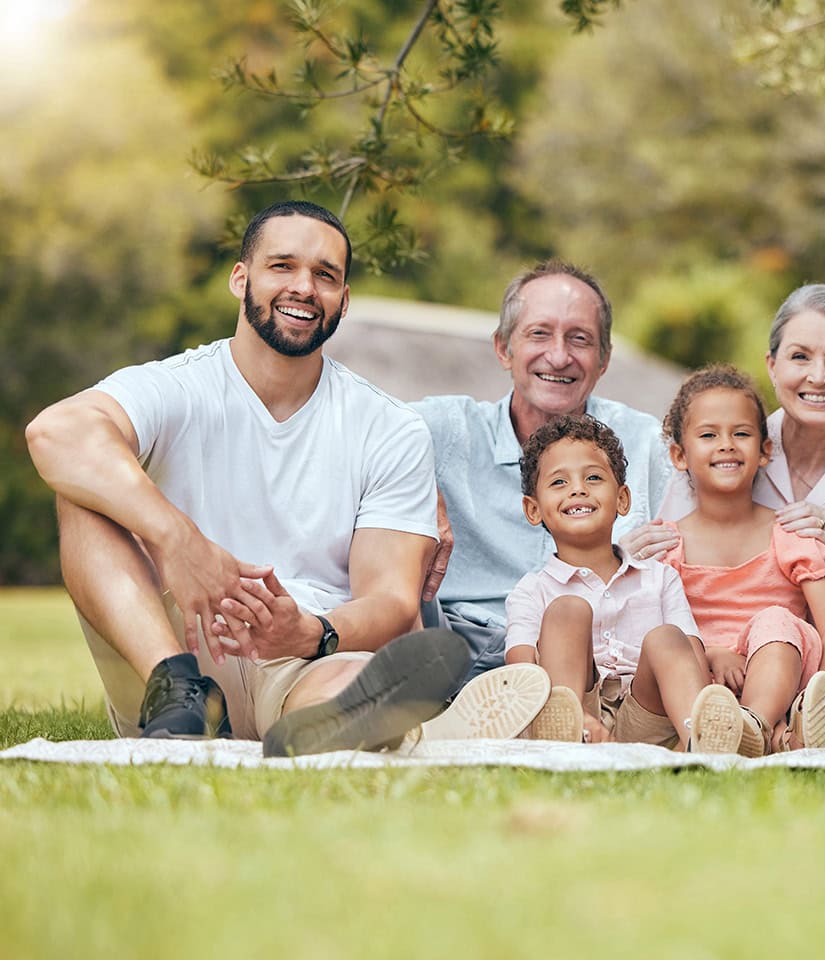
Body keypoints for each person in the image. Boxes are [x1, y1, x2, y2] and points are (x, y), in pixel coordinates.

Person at [24, 200, 548, 757]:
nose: (304, 287)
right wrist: (179, 540)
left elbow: (392, 600)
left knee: (347, 683)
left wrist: (312, 631)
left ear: (343, 301)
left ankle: (360, 719)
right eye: (283, 266)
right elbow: (55, 433)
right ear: (240, 278)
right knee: (84, 487)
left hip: (302, 650)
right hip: (173, 643)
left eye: (325, 276)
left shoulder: (389, 427)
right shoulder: (177, 386)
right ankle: (180, 697)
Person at [627, 285, 825, 748]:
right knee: (667, 648)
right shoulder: (723, 450)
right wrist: (627, 559)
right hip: (710, 664)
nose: (818, 376)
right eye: (800, 357)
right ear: (772, 366)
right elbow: (663, 596)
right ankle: (791, 733)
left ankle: (787, 721)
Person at [411, 261, 671, 682]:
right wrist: (412, 483)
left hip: (600, 665)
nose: (559, 355)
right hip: (461, 652)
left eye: (579, 339)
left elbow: (720, 520)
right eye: (539, 333)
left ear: (603, 360)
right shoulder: (446, 430)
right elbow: (353, 431)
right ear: (503, 349)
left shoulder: (645, 445)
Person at [504, 414, 743, 752]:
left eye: (593, 477)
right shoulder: (532, 590)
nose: (578, 489)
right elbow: (521, 666)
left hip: (647, 711)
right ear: (533, 509)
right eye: (559, 482)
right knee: (567, 610)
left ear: (622, 499)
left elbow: (689, 655)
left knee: (666, 637)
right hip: (573, 709)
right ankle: (567, 733)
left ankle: (699, 742)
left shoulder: (659, 577)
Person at [657, 365, 825, 755]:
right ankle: (757, 737)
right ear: (679, 455)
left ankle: (755, 727)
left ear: (765, 450)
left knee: (775, 618)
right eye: (709, 434)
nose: (727, 444)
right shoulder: (667, 544)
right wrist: (714, 653)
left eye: (742, 433)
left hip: (779, 673)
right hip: (698, 686)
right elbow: (655, 634)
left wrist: (818, 699)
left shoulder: (790, 534)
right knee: (673, 638)